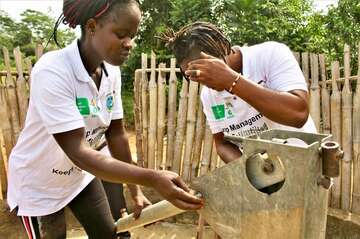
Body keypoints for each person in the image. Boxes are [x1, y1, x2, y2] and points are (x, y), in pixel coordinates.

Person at [7, 1, 203, 239]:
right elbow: (77, 150)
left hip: (78, 178)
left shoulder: (111, 72)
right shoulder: (53, 70)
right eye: (121, 34)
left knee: (108, 234)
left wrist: (136, 190)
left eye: (132, 35)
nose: (129, 43)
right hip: (39, 186)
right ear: (91, 26)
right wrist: (152, 178)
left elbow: (116, 134)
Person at [161, 22, 317, 164]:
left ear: (222, 46)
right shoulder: (208, 95)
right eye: (193, 75)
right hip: (264, 181)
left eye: (207, 69)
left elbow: (298, 114)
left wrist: (230, 80)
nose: (203, 80)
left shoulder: (270, 54)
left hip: (302, 166)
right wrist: (253, 170)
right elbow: (222, 144)